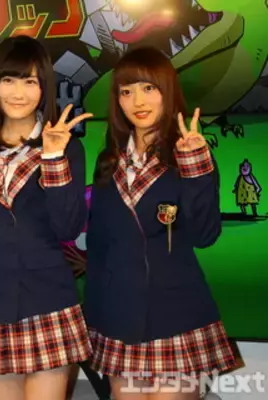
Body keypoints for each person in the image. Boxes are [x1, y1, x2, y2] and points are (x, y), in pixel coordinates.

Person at [84, 46, 236, 399]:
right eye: (126, 91)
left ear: (168, 91)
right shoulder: (109, 162)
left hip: (176, 314)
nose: (137, 101)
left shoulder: (189, 154)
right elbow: (100, 247)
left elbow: (204, 235)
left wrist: (195, 166)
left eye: (148, 88)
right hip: (118, 318)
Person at [0, 35, 93, 400]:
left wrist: (53, 159)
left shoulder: (66, 147)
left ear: (44, 88)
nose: (18, 93)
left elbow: (68, 226)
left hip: (47, 298)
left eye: (30, 81)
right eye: (9, 80)